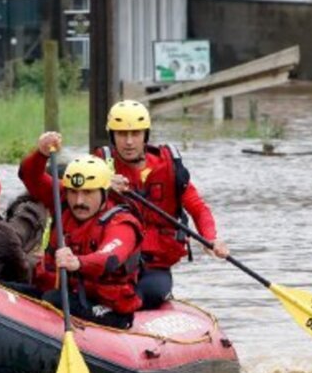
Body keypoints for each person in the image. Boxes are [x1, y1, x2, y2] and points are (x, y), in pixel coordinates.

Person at [96, 100, 228, 310]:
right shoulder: (98, 168)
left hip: (153, 266)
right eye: (122, 134)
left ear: (145, 135)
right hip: (113, 264)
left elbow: (197, 207)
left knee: (153, 292)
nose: (129, 142)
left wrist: (210, 237)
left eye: (136, 134)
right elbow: (68, 199)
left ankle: (123, 309)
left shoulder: (169, 168)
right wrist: (101, 184)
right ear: (112, 136)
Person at [18, 135, 143, 329]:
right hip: (65, 293)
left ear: (104, 192)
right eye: (74, 192)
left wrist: (78, 263)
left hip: (107, 307)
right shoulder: (62, 200)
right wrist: (41, 153)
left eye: (88, 193)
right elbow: (30, 176)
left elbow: (109, 257)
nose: (79, 201)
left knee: (54, 298)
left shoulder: (122, 223)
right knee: (6, 286)